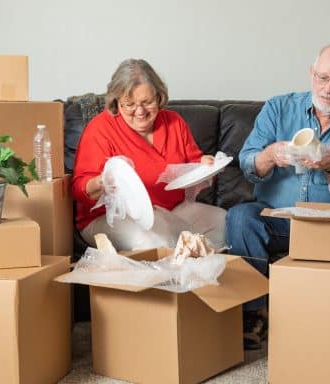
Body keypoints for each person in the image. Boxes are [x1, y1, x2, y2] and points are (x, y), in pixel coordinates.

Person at [226, 44, 330, 349]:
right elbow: (247, 164)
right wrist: (270, 155)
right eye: (322, 77)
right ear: (311, 74)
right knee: (240, 216)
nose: (329, 88)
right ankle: (255, 312)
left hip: (328, 225)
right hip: (276, 219)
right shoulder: (278, 108)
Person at [72, 58, 227, 251]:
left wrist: (205, 163)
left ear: (159, 97)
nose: (140, 111)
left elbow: (192, 161)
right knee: (153, 243)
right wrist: (102, 182)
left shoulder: (174, 122)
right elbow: (79, 188)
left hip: (171, 210)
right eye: (129, 104)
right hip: (112, 217)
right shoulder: (100, 128)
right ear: (116, 101)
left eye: (147, 102)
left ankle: (204, 277)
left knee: (226, 223)